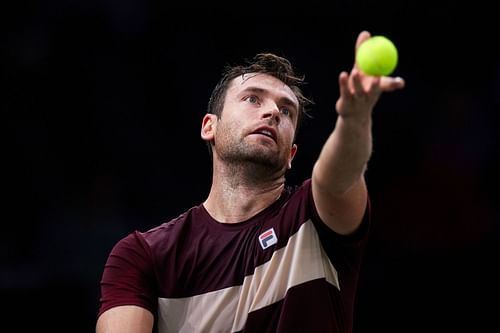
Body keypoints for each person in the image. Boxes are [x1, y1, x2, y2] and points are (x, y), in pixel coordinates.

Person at [95, 30, 405, 333]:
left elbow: (339, 175)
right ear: (209, 127)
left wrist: (355, 119)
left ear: (291, 155)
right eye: (253, 99)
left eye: (287, 111)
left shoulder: (313, 218)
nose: (272, 112)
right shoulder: (144, 254)